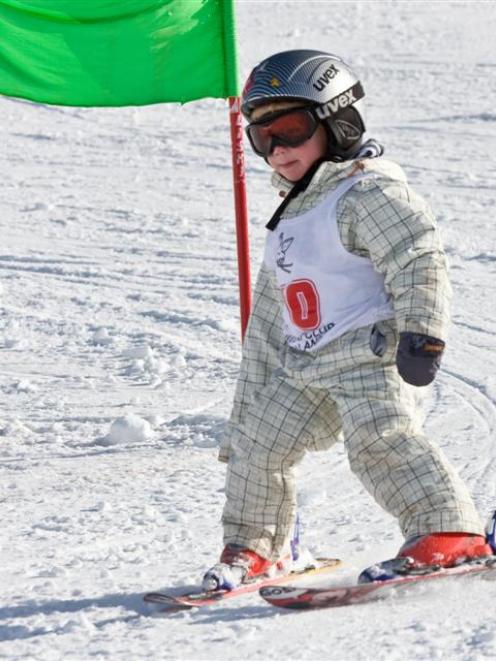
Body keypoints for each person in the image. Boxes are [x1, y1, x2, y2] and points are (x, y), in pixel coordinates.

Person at [203, 49, 493, 591]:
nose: (278, 150)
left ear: (338, 123)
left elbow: (417, 256)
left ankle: (449, 531)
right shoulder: (290, 214)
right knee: (257, 445)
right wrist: (251, 397)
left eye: (289, 130)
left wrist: (423, 333)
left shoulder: (365, 190)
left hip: (369, 354)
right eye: (262, 139)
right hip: (304, 363)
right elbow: (270, 314)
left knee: (378, 440)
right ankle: (257, 546)